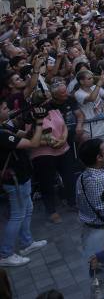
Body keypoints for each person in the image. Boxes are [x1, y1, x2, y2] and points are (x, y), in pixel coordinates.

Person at [0, 103, 48, 267]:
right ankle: (5, 254)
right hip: (15, 180)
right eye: (5, 108)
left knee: (27, 209)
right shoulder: (1, 135)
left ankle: (26, 243)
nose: (9, 110)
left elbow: (26, 136)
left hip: (22, 176)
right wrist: (41, 123)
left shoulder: (4, 126)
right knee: (17, 215)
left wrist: (34, 122)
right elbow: (33, 144)